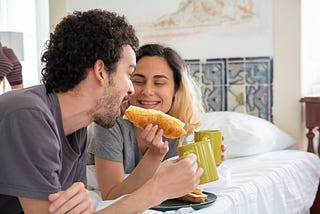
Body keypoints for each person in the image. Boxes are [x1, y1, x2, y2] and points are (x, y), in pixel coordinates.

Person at [0, 9, 203, 214]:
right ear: (101, 72)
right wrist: (158, 189)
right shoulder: (28, 115)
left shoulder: (76, 127)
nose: (131, 89)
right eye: (130, 74)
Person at [87, 44, 225, 200]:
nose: (147, 91)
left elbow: (182, 184)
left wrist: (206, 164)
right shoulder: (109, 123)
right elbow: (111, 195)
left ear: (176, 90)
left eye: (159, 83)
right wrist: (153, 156)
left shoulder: (176, 130)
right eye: (138, 81)